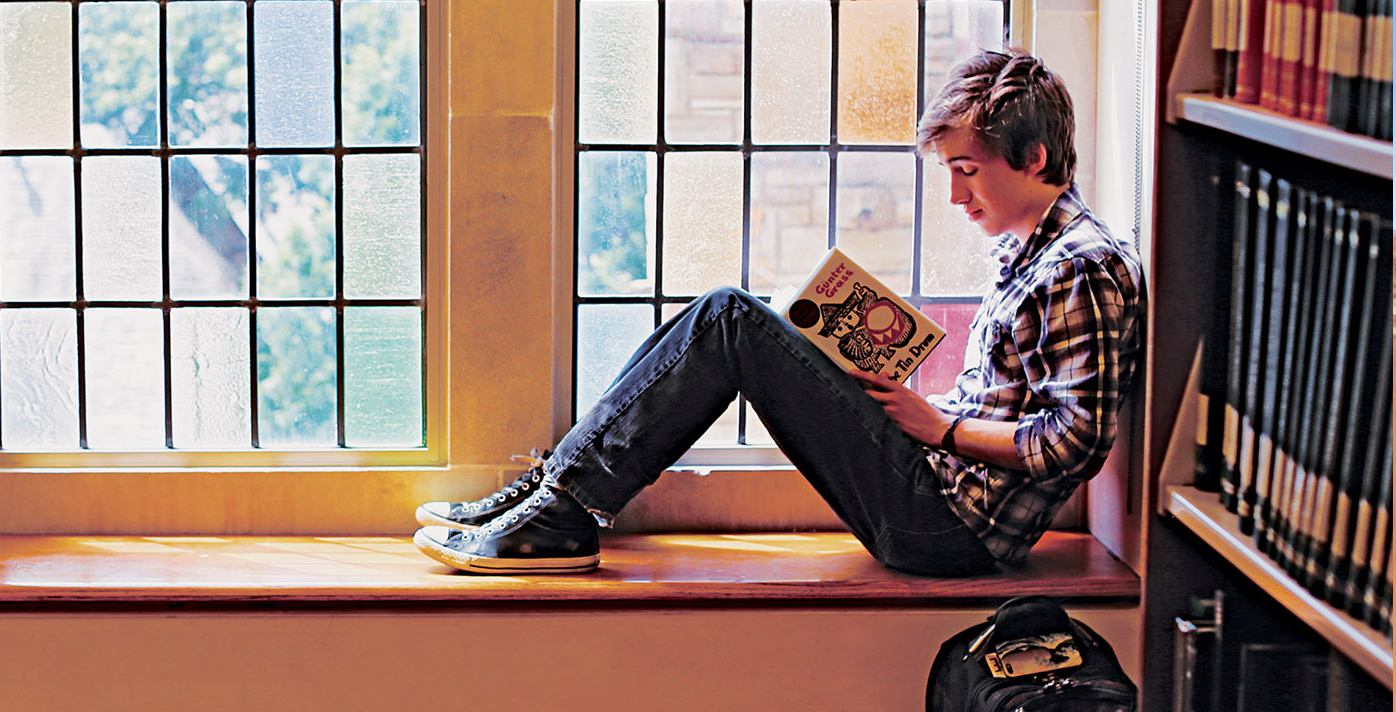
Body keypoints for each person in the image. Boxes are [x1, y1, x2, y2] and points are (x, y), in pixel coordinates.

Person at [412, 48, 1145, 577]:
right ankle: (555, 490)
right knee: (719, 315)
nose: (956, 197)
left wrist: (940, 425)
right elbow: (1020, 405)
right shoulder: (1031, 253)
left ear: (1036, 157)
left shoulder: (1080, 267)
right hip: (936, 490)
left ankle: (562, 509)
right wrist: (910, 404)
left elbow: (1076, 441)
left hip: (949, 529)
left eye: (967, 171)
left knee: (730, 321)